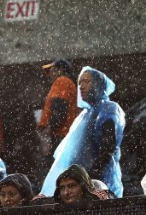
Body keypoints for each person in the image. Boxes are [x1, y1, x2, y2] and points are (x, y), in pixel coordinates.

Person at [41, 67, 125, 198]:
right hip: (79, 183)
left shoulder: (109, 109)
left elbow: (108, 147)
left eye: (86, 81)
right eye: (79, 82)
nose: (81, 86)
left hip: (99, 180)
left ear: (98, 84)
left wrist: (93, 174)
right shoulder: (84, 115)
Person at [38, 58, 78, 151]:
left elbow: (59, 108)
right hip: (64, 134)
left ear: (60, 70)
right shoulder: (68, 83)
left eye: (52, 70)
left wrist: (49, 128)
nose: (50, 75)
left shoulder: (62, 81)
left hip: (60, 135)